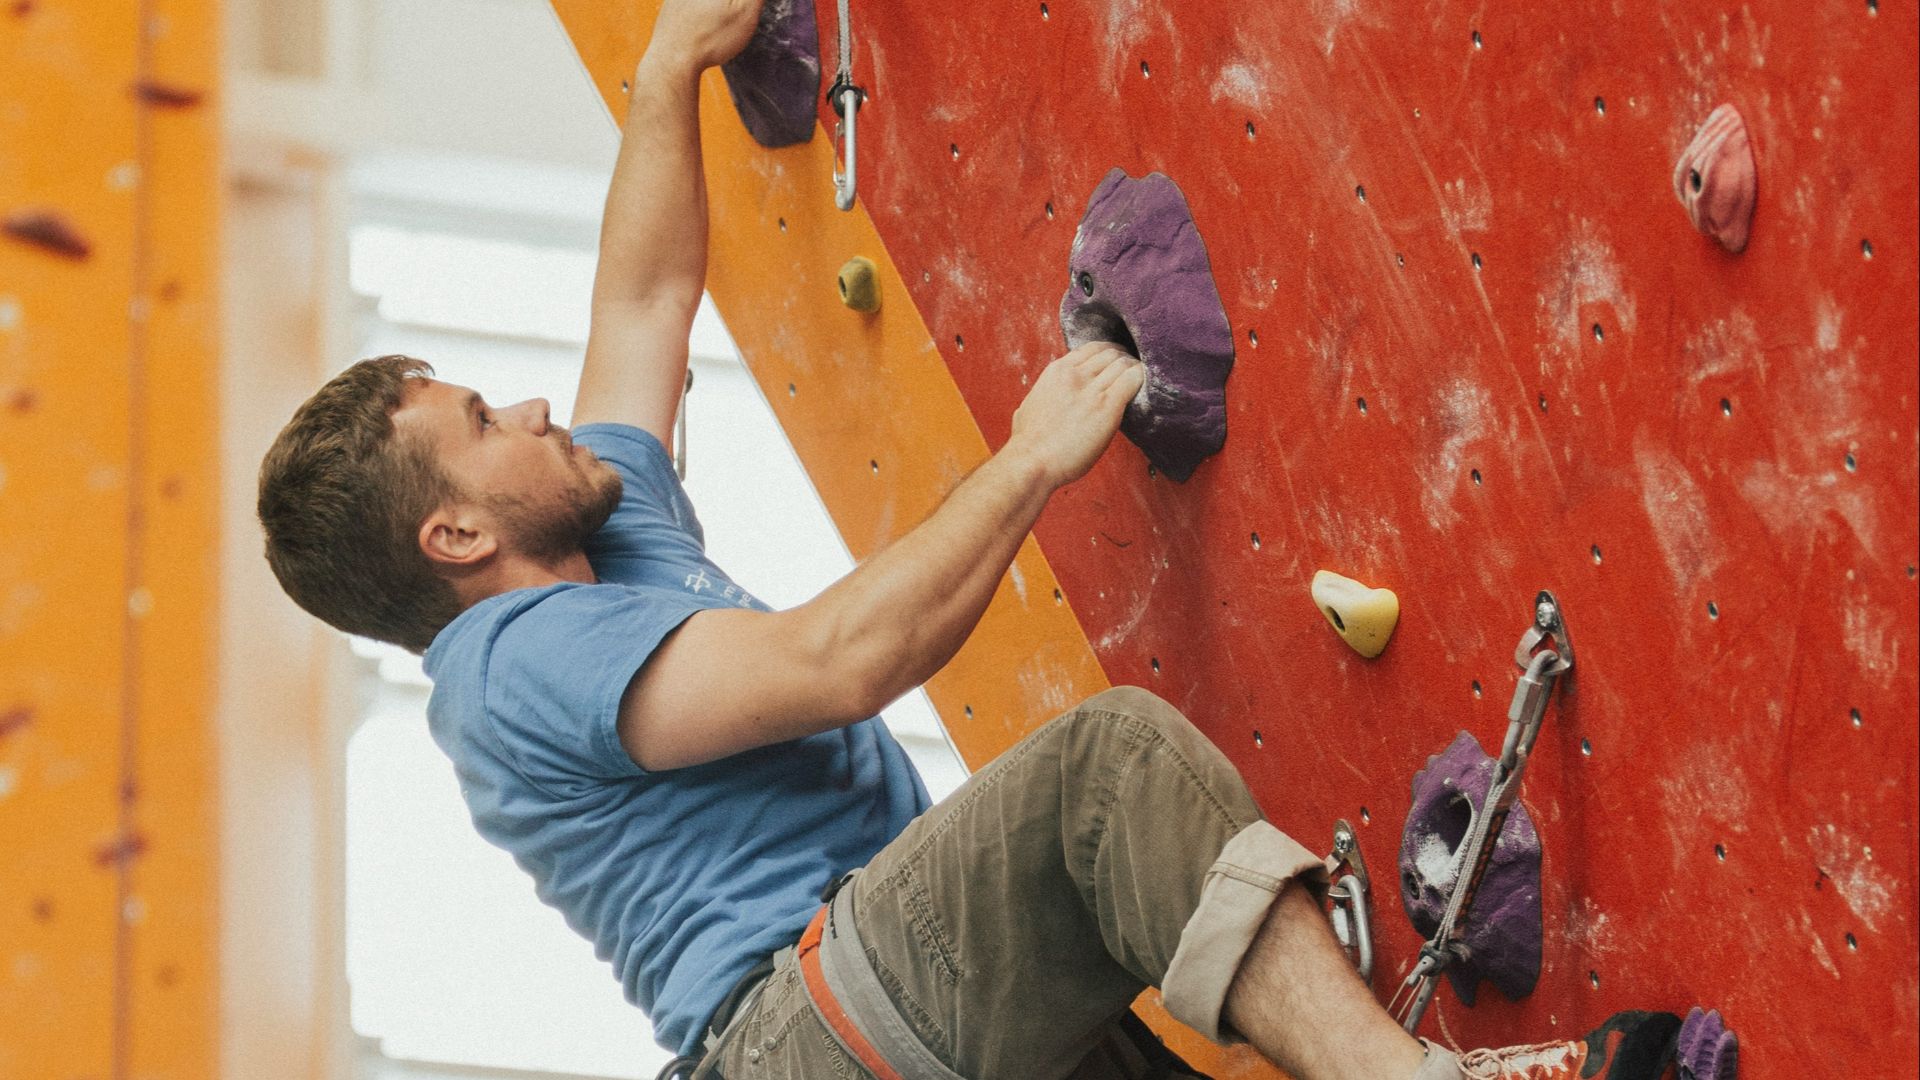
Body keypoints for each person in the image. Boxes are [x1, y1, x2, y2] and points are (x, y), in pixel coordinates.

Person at [256, 3, 1725, 1078]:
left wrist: (663, 79)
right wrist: (1030, 458)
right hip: (794, 1036)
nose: (526, 405)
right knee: (1107, 774)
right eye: (478, 415)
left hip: (884, 1005)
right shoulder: (506, 666)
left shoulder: (593, 530)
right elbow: (838, 662)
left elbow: (641, 307)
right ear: (454, 533)